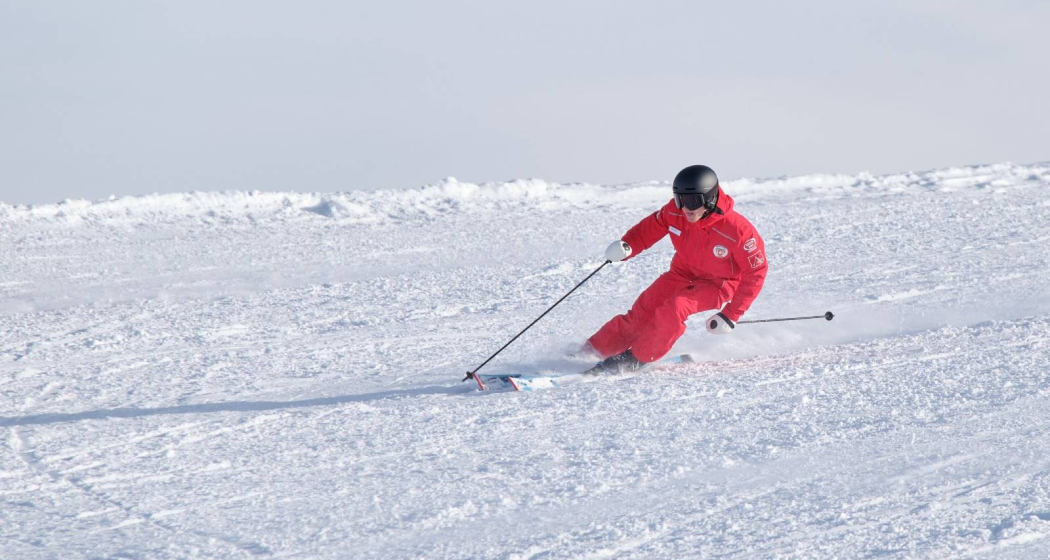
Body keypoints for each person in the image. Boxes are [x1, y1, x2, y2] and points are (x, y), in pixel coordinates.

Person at [584, 165, 768, 372]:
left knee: (675, 308)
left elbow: (756, 272)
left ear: (710, 198)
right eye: (680, 199)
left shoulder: (738, 231)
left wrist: (731, 314)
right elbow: (649, 229)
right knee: (642, 311)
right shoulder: (675, 212)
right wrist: (628, 247)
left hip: (718, 284)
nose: (685, 208)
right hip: (681, 273)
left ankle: (636, 358)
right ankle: (593, 350)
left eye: (692, 201)